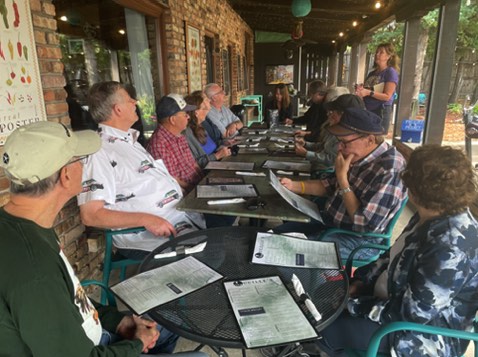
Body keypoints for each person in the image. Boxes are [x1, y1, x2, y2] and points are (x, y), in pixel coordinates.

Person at [0, 121, 202, 356]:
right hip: (89, 348)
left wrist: (118, 322)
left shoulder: (21, 225)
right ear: (66, 175)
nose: (87, 167)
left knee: (172, 322)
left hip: (90, 333)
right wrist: (135, 345)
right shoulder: (34, 269)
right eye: (81, 159)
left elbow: (68, 300)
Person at [314, 145, 478, 357]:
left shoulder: (451, 245)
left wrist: (353, 305)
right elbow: (390, 258)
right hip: (391, 305)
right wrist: (360, 282)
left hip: (421, 336)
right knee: (320, 298)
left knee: (323, 329)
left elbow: (413, 315)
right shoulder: (430, 214)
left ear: (414, 189)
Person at [78, 81, 206, 260]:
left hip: (181, 218)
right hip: (147, 235)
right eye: (130, 99)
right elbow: (91, 215)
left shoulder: (130, 142)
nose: (135, 103)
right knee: (217, 256)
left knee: (232, 239)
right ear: (118, 109)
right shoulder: (99, 152)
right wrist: (146, 220)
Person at [275, 108, 407, 260]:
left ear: (370, 139)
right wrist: (293, 185)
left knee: (286, 251)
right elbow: (329, 185)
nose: (339, 147)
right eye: (339, 142)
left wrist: (343, 179)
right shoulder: (359, 155)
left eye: (345, 142)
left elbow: (364, 224)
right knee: (276, 236)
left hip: (358, 240)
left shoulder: (390, 169)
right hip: (331, 221)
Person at [147, 93, 204, 193]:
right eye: (185, 114)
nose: (188, 117)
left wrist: (205, 180)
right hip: (187, 194)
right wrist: (196, 190)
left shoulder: (179, 135)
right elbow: (173, 180)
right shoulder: (159, 144)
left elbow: (193, 164)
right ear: (173, 120)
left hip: (198, 184)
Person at [295, 90, 361, 174]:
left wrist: (307, 154)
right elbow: (324, 145)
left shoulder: (347, 137)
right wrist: (306, 144)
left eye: (334, 112)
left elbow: (332, 160)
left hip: (326, 171)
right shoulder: (333, 128)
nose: (329, 114)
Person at [355, 43, 400, 134]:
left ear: (388, 56)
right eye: (376, 52)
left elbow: (387, 96)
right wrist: (361, 89)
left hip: (380, 111)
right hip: (368, 110)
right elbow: (369, 89)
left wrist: (368, 92)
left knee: (376, 138)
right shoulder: (372, 73)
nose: (377, 54)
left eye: (381, 52)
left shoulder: (390, 72)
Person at [184, 91, 232, 168]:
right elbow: (194, 164)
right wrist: (217, 156)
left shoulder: (200, 126)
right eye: (204, 109)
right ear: (196, 113)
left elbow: (212, 145)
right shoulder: (187, 133)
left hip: (219, 164)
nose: (206, 112)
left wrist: (223, 144)